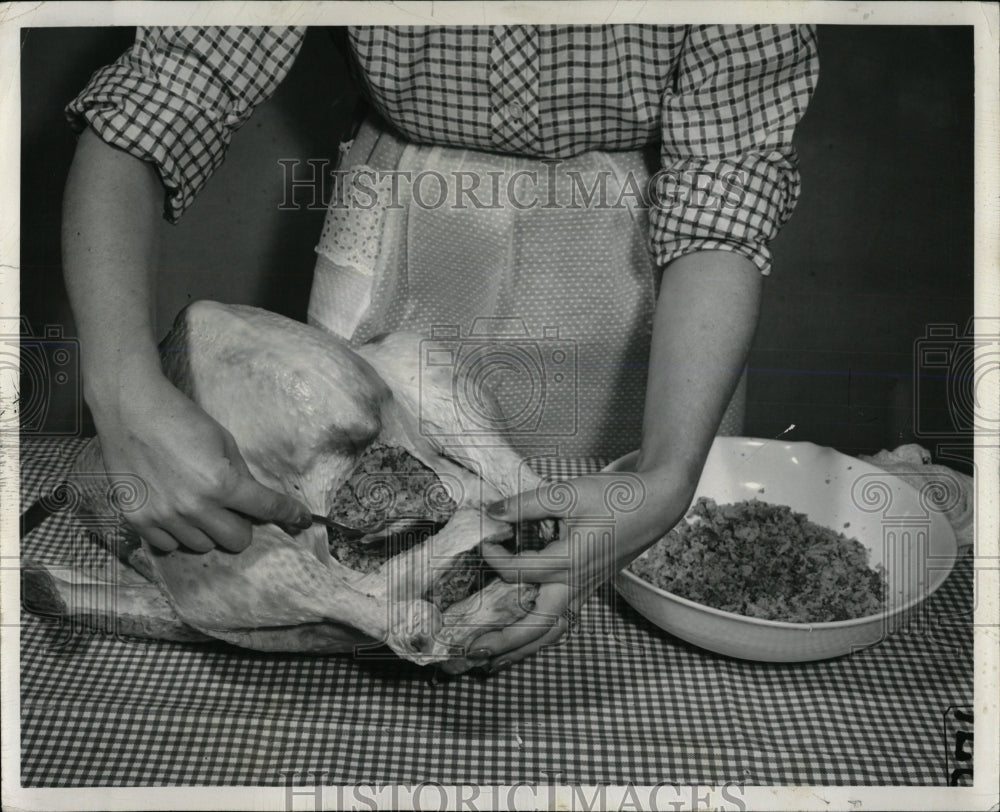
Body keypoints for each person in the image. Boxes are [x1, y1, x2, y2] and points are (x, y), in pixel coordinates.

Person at [62, 24, 819, 670]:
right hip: (401, 242)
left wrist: (666, 474)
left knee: (643, 600)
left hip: (636, 287)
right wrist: (123, 389)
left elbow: (726, 184)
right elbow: (162, 95)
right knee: (355, 546)